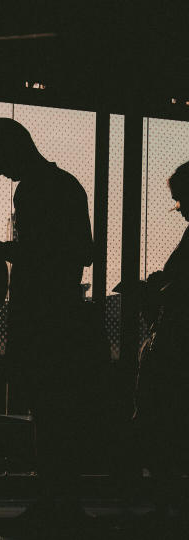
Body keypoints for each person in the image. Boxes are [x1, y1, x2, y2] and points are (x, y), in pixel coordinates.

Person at [0, 117, 95, 528]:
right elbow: (80, 252)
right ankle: (62, 502)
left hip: (44, 320)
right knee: (58, 413)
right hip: (58, 316)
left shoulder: (34, 191)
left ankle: (53, 501)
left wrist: (3, 249)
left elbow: (55, 254)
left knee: (48, 412)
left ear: (13, 148)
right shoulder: (65, 186)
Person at [130, 161, 189, 535]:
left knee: (161, 428)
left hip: (174, 349)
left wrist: (155, 289)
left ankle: (169, 506)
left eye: (181, 200)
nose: (180, 208)